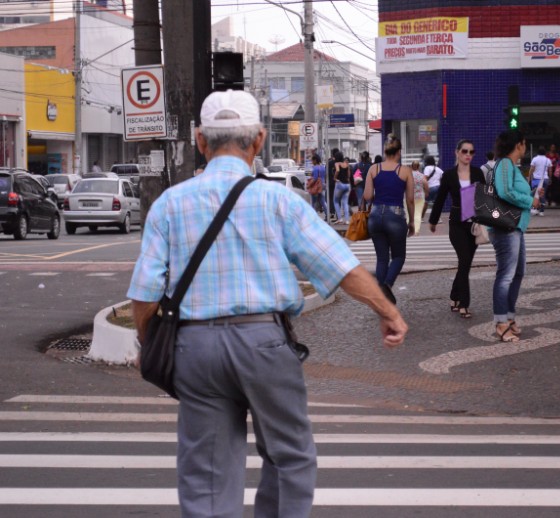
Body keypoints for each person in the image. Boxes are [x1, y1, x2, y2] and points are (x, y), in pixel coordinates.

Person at [127, 89, 407, 517]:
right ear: (258, 140)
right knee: (289, 457)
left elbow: (144, 297)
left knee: (207, 473)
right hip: (263, 343)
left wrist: (150, 345)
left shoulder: (170, 204)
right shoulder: (279, 202)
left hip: (195, 348)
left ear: (201, 141)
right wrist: (388, 312)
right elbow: (340, 267)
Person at [489, 130, 540, 342]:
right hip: (505, 228)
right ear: (518, 145)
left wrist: (531, 195)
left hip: (515, 227)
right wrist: (530, 201)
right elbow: (505, 192)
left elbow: (512, 191)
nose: (525, 148)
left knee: (518, 272)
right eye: (524, 144)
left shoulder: (512, 167)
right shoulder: (505, 164)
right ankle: (500, 323)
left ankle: (509, 317)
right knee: (506, 275)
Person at [428, 139, 486, 318]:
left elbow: (485, 197)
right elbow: (440, 199)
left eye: (471, 152)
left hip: (474, 225)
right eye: (464, 151)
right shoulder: (449, 175)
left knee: (465, 263)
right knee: (464, 259)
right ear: (457, 153)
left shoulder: (477, 173)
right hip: (456, 224)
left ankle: (454, 295)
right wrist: (433, 220)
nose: (468, 155)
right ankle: (463, 303)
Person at [363, 134, 415, 303]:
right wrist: (412, 221)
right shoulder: (405, 171)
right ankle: (387, 285)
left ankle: (381, 295)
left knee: (382, 258)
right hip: (396, 215)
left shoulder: (374, 169)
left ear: (385, 152)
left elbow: (368, 195)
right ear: (399, 152)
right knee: (399, 257)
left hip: (376, 215)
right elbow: (410, 199)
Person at [529, 147, 552, 216]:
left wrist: (529, 177)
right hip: (545, 179)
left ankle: (535, 209)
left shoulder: (535, 159)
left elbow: (532, 169)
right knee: (542, 194)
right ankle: (542, 211)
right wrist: (550, 178)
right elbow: (550, 170)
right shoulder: (548, 160)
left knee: (535, 195)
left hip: (536, 179)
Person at [408, 160, 428, 235]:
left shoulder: (408, 175)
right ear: (419, 166)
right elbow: (426, 185)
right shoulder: (422, 175)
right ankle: (416, 230)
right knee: (418, 213)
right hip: (420, 196)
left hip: (410, 196)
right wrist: (426, 193)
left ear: (411, 166)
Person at [422, 155, 444, 221]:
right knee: (436, 204)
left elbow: (425, 179)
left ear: (426, 162)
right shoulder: (438, 169)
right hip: (438, 187)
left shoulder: (427, 168)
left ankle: (421, 218)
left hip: (430, 188)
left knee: (425, 203)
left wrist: (426, 190)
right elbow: (443, 177)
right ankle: (438, 218)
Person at [332, 151, 351, 224]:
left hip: (340, 184)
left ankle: (340, 218)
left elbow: (337, 170)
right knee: (345, 202)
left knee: (336, 201)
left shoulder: (337, 163)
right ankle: (347, 220)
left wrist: (335, 178)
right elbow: (349, 174)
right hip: (347, 185)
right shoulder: (346, 164)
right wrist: (347, 179)